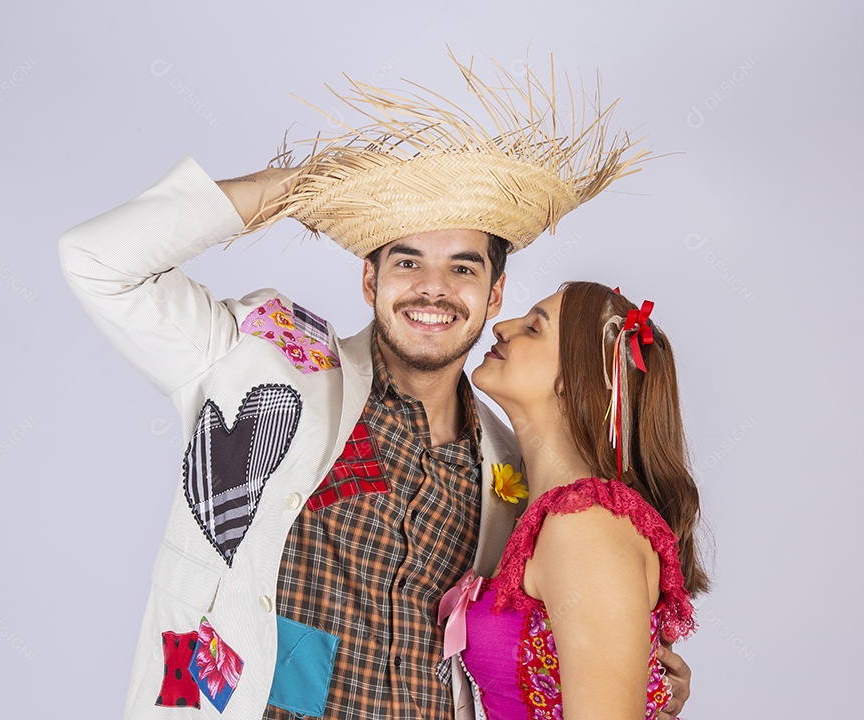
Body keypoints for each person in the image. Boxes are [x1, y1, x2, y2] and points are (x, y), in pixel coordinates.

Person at [58, 53, 694, 719]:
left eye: (463, 269)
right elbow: (99, 262)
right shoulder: (269, 359)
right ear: (370, 280)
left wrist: (638, 676)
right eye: (408, 260)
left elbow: (556, 630)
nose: (433, 289)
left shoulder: (516, 470)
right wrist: (296, 188)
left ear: (494, 291)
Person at [439, 282, 708, 719]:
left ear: (573, 380)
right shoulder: (539, 509)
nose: (502, 327)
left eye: (533, 328)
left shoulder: (584, 525)